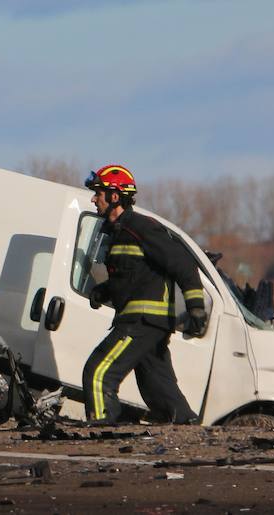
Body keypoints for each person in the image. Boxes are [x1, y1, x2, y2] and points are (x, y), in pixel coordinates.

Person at [82, 164, 208, 425]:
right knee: (158, 389)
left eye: (99, 193)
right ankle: (184, 427)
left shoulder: (142, 228)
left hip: (143, 320)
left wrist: (196, 306)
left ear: (115, 196)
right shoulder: (117, 235)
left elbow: (183, 264)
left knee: (98, 373)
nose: (94, 199)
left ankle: (100, 429)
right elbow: (132, 277)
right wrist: (103, 290)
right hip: (142, 321)